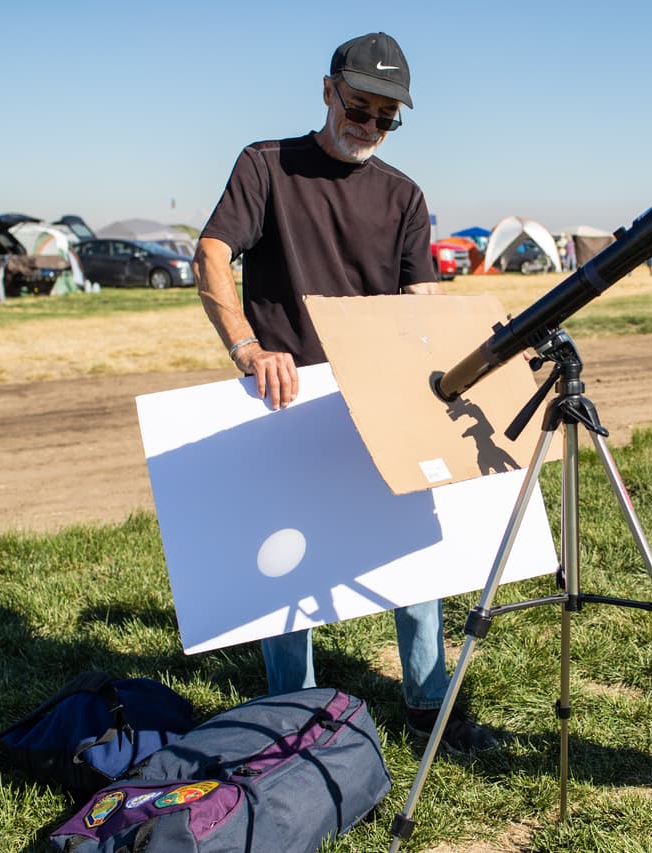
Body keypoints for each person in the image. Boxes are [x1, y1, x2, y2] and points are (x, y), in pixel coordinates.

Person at [194, 32, 496, 755]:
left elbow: (420, 304)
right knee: (283, 561)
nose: (369, 128)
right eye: (359, 110)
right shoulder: (264, 165)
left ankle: (428, 704)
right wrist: (245, 346)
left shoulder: (404, 196)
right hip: (284, 400)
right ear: (327, 90)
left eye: (387, 120)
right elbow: (210, 252)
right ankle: (286, 716)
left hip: (379, 400)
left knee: (413, 554)